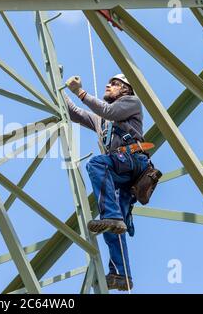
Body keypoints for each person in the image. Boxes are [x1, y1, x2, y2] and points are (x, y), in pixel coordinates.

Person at [64, 74, 150, 291]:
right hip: (119, 167)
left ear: (125, 89)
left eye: (114, 84)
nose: (108, 85)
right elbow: (76, 114)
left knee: (96, 164)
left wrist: (80, 92)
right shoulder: (102, 119)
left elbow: (108, 111)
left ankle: (110, 215)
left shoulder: (131, 103)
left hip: (132, 160)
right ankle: (121, 274)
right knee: (114, 226)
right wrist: (61, 92)